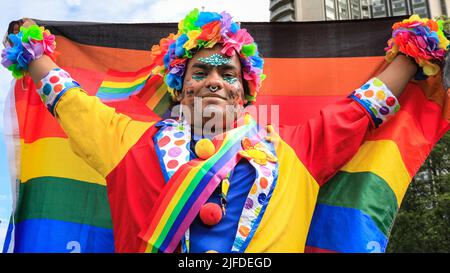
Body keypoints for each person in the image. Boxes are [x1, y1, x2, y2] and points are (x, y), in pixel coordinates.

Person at [2, 9, 447, 253]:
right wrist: (33, 52)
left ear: (244, 92)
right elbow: (72, 102)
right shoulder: (125, 140)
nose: (215, 79)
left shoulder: (296, 147)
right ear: (179, 86)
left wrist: (413, 53)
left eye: (228, 74)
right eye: (201, 71)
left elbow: (363, 108)